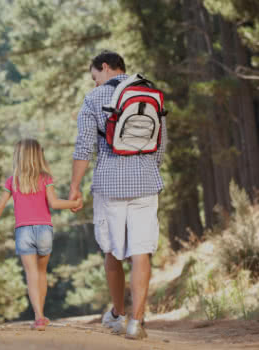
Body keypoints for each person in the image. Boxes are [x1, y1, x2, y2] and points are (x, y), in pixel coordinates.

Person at [68, 50, 167, 340]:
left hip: (109, 184)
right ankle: (137, 322)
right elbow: (159, 143)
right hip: (146, 183)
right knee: (141, 251)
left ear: (106, 67)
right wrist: (148, 169)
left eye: (94, 76)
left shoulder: (94, 98)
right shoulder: (150, 92)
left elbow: (84, 146)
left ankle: (118, 314)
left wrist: (75, 186)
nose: (95, 82)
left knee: (112, 250)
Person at [0, 139, 82, 331]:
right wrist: (74, 204)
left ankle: (38, 317)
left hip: (23, 231)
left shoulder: (12, 181)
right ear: (39, 156)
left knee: (31, 274)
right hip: (44, 230)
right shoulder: (45, 178)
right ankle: (42, 315)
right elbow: (54, 204)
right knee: (41, 273)